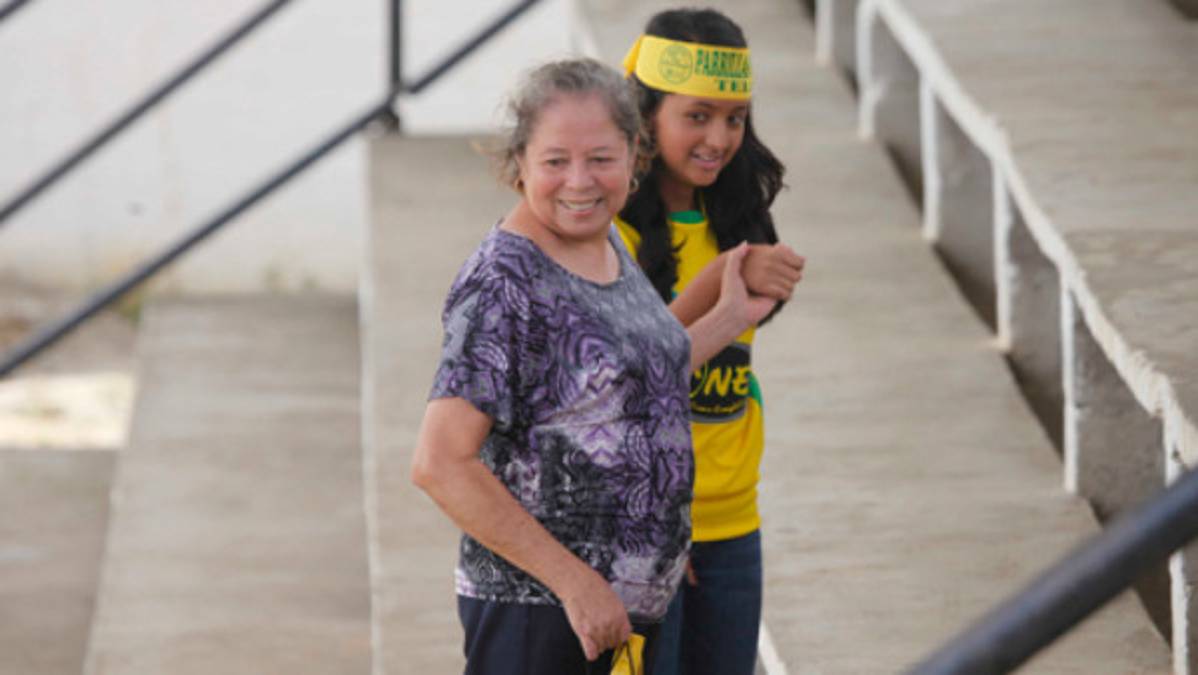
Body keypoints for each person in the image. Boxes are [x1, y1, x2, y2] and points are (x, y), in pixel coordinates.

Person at [410, 58, 778, 675]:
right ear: (520, 162)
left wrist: (726, 315)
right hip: (545, 614)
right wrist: (576, 585)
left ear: (635, 158)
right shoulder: (506, 282)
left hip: (622, 619)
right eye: (556, 161)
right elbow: (440, 462)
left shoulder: (601, 241)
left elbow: (625, 384)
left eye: (601, 159)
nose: (579, 181)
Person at [615, 9, 805, 675]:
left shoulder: (737, 218)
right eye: (696, 116)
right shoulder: (614, 233)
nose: (719, 138)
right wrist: (726, 282)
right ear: (646, 116)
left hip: (734, 517)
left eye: (734, 118)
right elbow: (622, 372)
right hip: (646, 517)